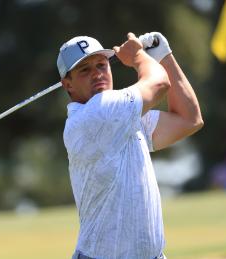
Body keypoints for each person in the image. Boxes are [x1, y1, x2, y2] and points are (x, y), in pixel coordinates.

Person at [57, 32, 203, 259]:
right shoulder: (98, 113)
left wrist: (164, 57)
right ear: (68, 84)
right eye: (85, 70)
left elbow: (189, 119)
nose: (97, 74)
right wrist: (137, 56)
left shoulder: (121, 115)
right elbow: (160, 83)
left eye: (101, 65)